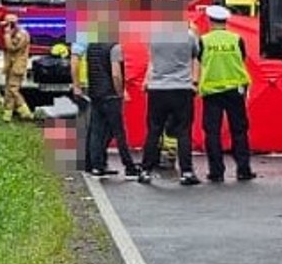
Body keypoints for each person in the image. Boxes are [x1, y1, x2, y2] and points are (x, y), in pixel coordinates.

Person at [138, 12, 201, 186]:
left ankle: (145, 170)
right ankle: (187, 172)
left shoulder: (155, 37)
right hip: (181, 88)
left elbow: (152, 60)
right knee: (183, 131)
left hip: (157, 89)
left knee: (154, 130)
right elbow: (196, 55)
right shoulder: (189, 37)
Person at [197, 5, 255, 182]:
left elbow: (199, 60)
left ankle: (216, 171)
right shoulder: (237, 39)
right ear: (226, 21)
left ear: (210, 20)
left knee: (212, 132)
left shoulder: (203, 41)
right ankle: (243, 169)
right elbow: (242, 59)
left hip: (212, 91)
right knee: (239, 130)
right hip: (235, 89)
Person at [71, 31, 139, 177]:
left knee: (96, 131)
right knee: (119, 132)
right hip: (111, 94)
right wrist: (120, 92)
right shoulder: (114, 48)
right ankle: (129, 166)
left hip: (95, 93)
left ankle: (96, 166)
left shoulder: (91, 47)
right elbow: (116, 74)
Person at [1, 14, 34, 121]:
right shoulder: (13, 33)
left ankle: (25, 111)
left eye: (8, 24)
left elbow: (12, 48)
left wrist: (7, 35)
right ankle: (7, 114)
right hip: (10, 65)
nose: (6, 27)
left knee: (13, 89)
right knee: (8, 90)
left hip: (18, 66)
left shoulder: (22, 35)